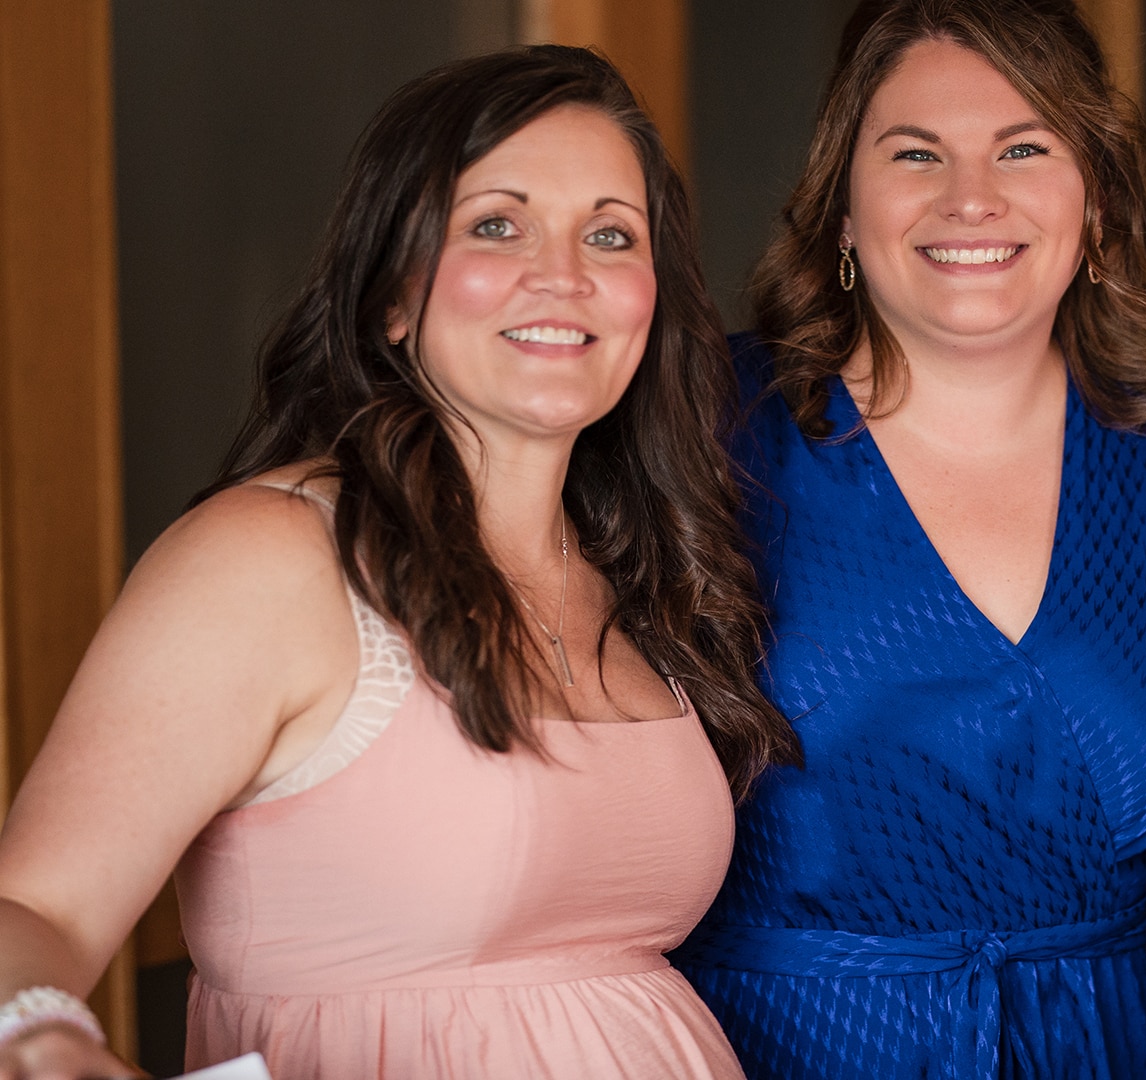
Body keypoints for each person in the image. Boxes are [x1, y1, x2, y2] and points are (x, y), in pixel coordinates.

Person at [0, 45, 797, 1079]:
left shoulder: (644, 577)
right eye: (496, 225)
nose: (564, 274)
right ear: (392, 296)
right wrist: (46, 1041)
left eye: (610, 233)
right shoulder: (273, 558)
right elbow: (33, 906)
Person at [668, 1, 1146, 1075]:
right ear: (843, 209)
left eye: (1024, 148)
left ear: (1094, 200)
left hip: (1089, 1046)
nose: (971, 198)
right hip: (774, 1046)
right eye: (916, 153)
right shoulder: (699, 427)